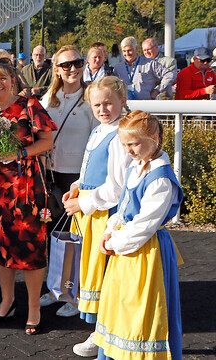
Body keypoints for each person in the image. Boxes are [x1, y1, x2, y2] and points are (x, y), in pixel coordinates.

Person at [0, 59, 56, 335]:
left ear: (14, 79)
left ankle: (33, 307)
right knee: (1, 246)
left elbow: (47, 141)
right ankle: (7, 300)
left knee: (30, 248)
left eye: (3, 78)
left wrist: (18, 153)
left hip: (27, 187)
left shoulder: (29, 106)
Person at [93, 111, 183, 360]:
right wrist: (110, 229)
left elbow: (145, 224)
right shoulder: (137, 167)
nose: (128, 150)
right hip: (125, 248)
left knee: (142, 312)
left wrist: (115, 242)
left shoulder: (160, 180)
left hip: (147, 252)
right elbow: (124, 208)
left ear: (154, 138)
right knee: (120, 308)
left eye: (133, 144)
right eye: (124, 145)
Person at [59, 76, 130, 357]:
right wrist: (77, 185)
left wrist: (84, 203)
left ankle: (104, 333)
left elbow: (115, 187)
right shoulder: (100, 130)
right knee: (91, 273)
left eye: (108, 103)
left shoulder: (119, 135)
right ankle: (101, 331)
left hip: (104, 214)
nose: (103, 109)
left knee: (104, 277)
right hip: (90, 210)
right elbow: (90, 169)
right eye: (97, 104)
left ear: (122, 101)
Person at [39, 46, 97, 318]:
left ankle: (75, 294)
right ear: (57, 69)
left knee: (78, 238)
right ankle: (57, 288)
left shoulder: (91, 99)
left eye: (77, 63)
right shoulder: (49, 98)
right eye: (65, 65)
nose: (72, 69)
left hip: (79, 178)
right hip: (51, 175)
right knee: (55, 235)